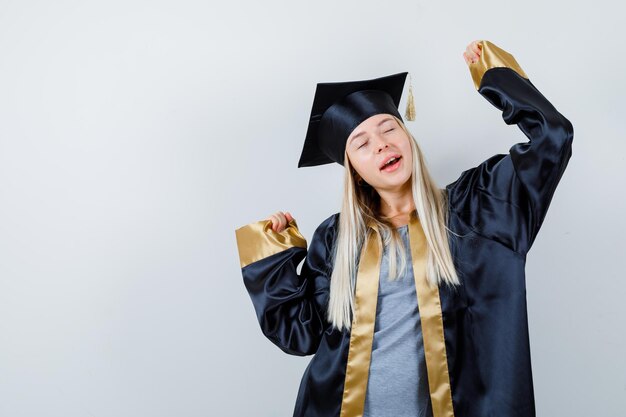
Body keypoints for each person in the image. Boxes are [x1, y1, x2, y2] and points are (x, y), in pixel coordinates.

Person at [234, 40, 574, 417]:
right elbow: (301, 334)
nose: (381, 145)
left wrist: (498, 79)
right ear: (355, 172)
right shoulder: (336, 239)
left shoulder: (479, 208)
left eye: (388, 128)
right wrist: (272, 259)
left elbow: (553, 138)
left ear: (407, 137)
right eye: (362, 144)